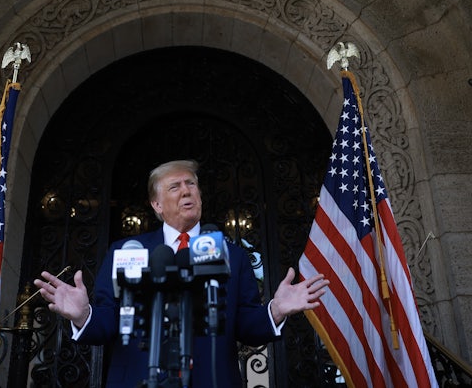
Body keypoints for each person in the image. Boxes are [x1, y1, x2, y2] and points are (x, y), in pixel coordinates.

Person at [34, 159, 329, 387]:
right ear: (157, 204)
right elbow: (110, 321)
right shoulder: (127, 251)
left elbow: (246, 326)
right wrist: (83, 315)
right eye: (175, 187)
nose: (186, 190)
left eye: (191, 184)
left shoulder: (232, 255)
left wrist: (275, 311)